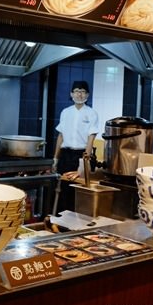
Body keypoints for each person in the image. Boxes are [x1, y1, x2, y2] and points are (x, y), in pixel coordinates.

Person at [52, 80, 100, 212]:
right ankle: (59, 222)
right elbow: (60, 136)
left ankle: (73, 224)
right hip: (65, 155)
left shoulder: (91, 113)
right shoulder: (65, 112)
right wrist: (55, 159)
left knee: (76, 190)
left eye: (83, 92)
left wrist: (84, 163)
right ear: (71, 94)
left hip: (80, 156)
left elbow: (91, 139)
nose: (80, 95)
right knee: (61, 189)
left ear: (87, 95)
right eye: (77, 91)